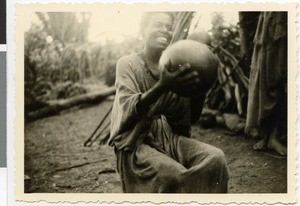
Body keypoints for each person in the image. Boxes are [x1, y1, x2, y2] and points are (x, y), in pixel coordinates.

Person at [109, 12, 229, 193]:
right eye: (158, 25)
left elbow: (188, 120)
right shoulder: (127, 64)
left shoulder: (176, 65)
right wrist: (163, 85)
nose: (164, 31)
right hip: (135, 143)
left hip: (168, 138)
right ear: (143, 30)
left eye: (168, 27)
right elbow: (129, 107)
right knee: (173, 175)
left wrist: (201, 86)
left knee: (216, 158)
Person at [245, 12, 287, 156]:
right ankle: (267, 136)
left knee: (279, 75)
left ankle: (274, 136)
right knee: (265, 77)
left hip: (283, 21)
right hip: (268, 22)